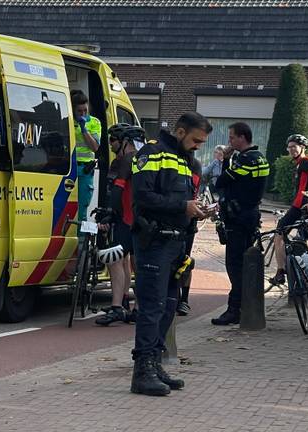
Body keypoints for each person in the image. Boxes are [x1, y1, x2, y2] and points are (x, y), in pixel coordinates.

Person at [130, 112, 211, 396]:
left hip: (176, 243)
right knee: (151, 306)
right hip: (154, 242)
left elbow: (180, 201)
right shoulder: (151, 154)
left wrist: (196, 210)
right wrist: (182, 207)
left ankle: (155, 362)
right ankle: (142, 371)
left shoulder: (185, 160)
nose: (198, 146)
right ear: (179, 132)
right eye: (195, 140)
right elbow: (143, 197)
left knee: (168, 305)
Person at [212, 122, 269, 325]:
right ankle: (246, 306)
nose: (229, 141)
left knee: (234, 264)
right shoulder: (261, 158)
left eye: (232, 138)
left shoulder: (245, 160)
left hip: (238, 217)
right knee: (246, 262)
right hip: (252, 214)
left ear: (242, 137)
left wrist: (226, 160)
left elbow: (221, 182)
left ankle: (234, 309)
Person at [96, 124, 143, 326]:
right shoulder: (147, 159)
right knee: (138, 264)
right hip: (144, 221)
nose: (111, 144)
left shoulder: (126, 160)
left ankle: (117, 307)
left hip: (126, 219)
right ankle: (138, 310)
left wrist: (110, 214)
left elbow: (117, 190)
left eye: (115, 139)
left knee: (115, 260)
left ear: (126, 142)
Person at [269, 134, 308, 285]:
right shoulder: (300, 163)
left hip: (300, 206)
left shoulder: (305, 162)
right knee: (303, 240)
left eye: (295, 147)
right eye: (289, 147)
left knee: (279, 233)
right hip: (300, 206)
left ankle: (280, 272)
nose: (291, 149)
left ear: (302, 148)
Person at [177, 156, 202, 316]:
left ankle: (184, 300)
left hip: (187, 221)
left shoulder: (194, 164)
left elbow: (192, 191)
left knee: (185, 260)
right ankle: (174, 297)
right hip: (172, 218)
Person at [73, 91, 102, 221]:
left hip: (85, 170)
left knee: (82, 209)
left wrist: (84, 129)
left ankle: (81, 240)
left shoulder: (94, 122)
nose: (83, 114)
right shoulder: (67, 121)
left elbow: (95, 147)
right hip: (69, 169)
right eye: (79, 111)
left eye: (85, 110)